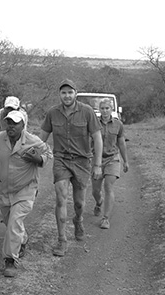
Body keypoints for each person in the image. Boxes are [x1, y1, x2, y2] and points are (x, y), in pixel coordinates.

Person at [0, 110, 52, 277]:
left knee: (14, 222)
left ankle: (10, 261)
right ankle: (23, 239)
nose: (11, 126)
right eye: (8, 122)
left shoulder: (32, 140)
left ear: (23, 125)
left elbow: (48, 153)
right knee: (10, 223)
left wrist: (38, 159)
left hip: (25, 189)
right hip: (5, 190)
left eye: (15, 123)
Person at [39, 79, 103, 257]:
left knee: (79, 203)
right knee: (61, 198)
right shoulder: (53, 113)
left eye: (70, 92)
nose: (67, 96)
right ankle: (62, 240)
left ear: (76, 93)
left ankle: (78, 219)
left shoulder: (87, 112)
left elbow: (97, 138)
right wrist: (29, 153)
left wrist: (97, 165)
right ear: (60, 95)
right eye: (63, 93)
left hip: (82, 161)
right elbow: (41, 138)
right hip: (61, 160)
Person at [91, 98, 129, 229]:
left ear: (111, 109)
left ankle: (105, 218)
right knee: (96, 190)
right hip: (96, 160)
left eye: (107, 108)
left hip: (112, 158)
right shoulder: (94, 123)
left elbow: (121, 143)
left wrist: (125, 161)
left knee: (108, 186)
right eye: (102, 108)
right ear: (99, 110)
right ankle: (98, 202)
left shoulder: (118, 124)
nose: (105, 111)